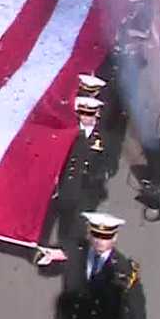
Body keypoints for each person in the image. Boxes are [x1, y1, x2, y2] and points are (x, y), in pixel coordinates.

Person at [37, 212, 147, 319]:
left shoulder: (124, 269)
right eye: (96, 235)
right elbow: (47, 270)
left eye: (106, 237)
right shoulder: (74, 253)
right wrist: (45, 259)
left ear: (115, 237)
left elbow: (137, 312)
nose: (100, 241)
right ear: (89, 233)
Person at [50, 96, 109, 244]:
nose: (86, 118)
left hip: (87, 186)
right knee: (64, 215)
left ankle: (69, 245)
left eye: (89, 114)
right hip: (67, 182)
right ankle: (63, 243)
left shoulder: (100, 135)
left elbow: (106, 159)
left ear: (96, 114)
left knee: (77, 220)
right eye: (83, 113)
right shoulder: (70, 130)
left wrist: (99, 176)